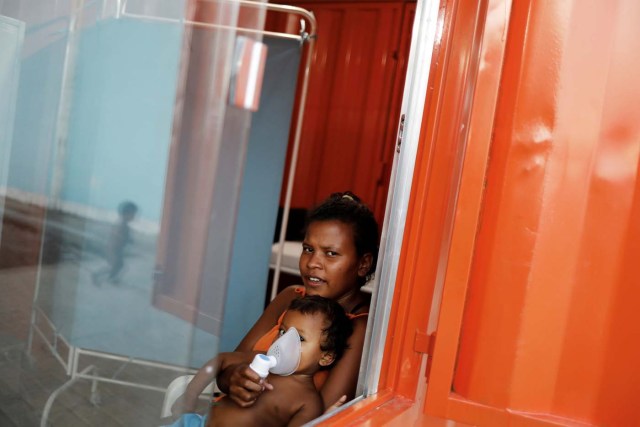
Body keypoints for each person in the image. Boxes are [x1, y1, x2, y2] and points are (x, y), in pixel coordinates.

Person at [216, 191, 379, 411]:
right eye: (308, 249)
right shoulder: (291, 296)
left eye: (330, 254)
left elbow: (320, 414)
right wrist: (236, 381)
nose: (313, 263)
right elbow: (229, 367)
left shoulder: (358, 327)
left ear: (363, 264)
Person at [167, 296, 353, 427]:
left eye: (300, 339)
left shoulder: (308, 402)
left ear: (326, 357)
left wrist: (323, 422)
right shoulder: (261, 358)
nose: (283, 342)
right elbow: (220, 360)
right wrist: (189, 398)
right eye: (282, 332)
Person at [92, 200, 138, 285]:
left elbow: (125, 236)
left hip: (117, 249)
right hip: (113, 249)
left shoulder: (124, 225)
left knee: (120, 265)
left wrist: (129, 240)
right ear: (125, 214)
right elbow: (117, 234)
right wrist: (126, 239)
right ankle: (96, 274)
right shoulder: (120, 224)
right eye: (133, 214)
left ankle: (112, 278)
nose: (134, 217)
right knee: (114, 266)